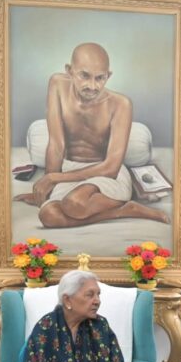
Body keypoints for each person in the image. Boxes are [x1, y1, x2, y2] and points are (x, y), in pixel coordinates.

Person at [14, 42, 170, 227]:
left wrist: (54, 178)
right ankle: (123, 211)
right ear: (70, 71)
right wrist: (47, 185)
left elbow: (111, 167)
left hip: (106, 174)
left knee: (75, 203)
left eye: (100, 78)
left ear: (108, 76)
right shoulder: (57, 83)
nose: (92, 86)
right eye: (84, 76)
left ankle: (129, 207)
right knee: (48, 215)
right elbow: (56, 145)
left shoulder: (121, 104)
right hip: (70, 170)